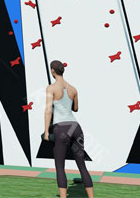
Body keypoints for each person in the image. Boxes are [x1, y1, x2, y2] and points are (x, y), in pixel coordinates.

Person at [43, 60, 93, 198]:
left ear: (53, 71)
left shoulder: (51, 88)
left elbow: (48, 110)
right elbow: (75, 109)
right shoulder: (73, 89)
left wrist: (47, 131)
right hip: (75, 127)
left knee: (60, 167)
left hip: (61, 128)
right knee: (82, 165)